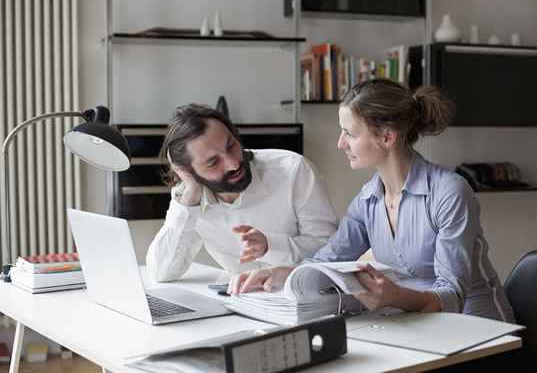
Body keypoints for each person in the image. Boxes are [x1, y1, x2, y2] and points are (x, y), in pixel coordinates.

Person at [229, 78, 515, 323]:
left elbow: (452, 297)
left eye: (350, 133)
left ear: (388, 137)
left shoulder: (449, 192)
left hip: (479, 329)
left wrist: (395, 296)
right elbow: (327, 260)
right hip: (417, 324)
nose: (341, 143)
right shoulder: (368, 200)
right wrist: (281, 273)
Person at [146, 104, 338, 281]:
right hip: (239, 302)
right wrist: (190, 196)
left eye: (231, 145)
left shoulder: (292, 170)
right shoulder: (190, 198)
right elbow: (161, 272)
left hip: (299, 296)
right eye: (213, 162)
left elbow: (330, 250)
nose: (233, 163)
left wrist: (270, 246)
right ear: (189, 172)